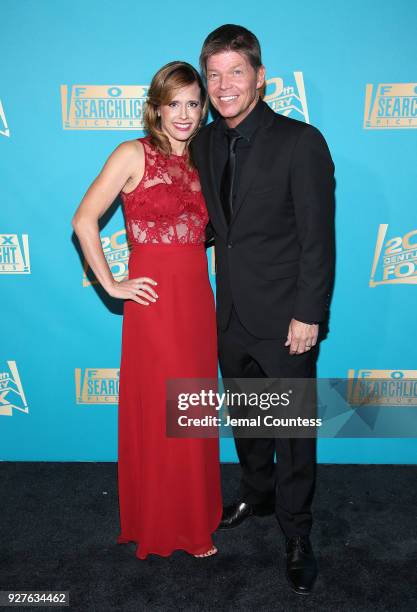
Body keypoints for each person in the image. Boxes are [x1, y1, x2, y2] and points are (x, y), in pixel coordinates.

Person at [191, 25, 335, 593]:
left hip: (285, 317)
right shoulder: (203, 142)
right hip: (227, 312)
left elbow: (317, 239)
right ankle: (257, 491)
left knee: (293, 431)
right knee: (249, 418)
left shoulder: (301, 141)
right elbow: (218, 224)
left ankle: (297, 532)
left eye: (235, 72)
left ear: (260, 77)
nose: (224, 86)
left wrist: (309, 314)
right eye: (215, 74)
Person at [72, 61, 222, 559]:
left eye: (193, 103)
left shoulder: (205, 158)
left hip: (197, 299)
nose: (183, 114)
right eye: (173, 103)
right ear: (155, 107)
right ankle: (161, 522)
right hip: (154, 303)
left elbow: (213, 236)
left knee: (194, 409)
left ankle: (195, 517)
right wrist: (111, 283)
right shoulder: (132, 154)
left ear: (203, 108)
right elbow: (84, 219)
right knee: (161, 409)